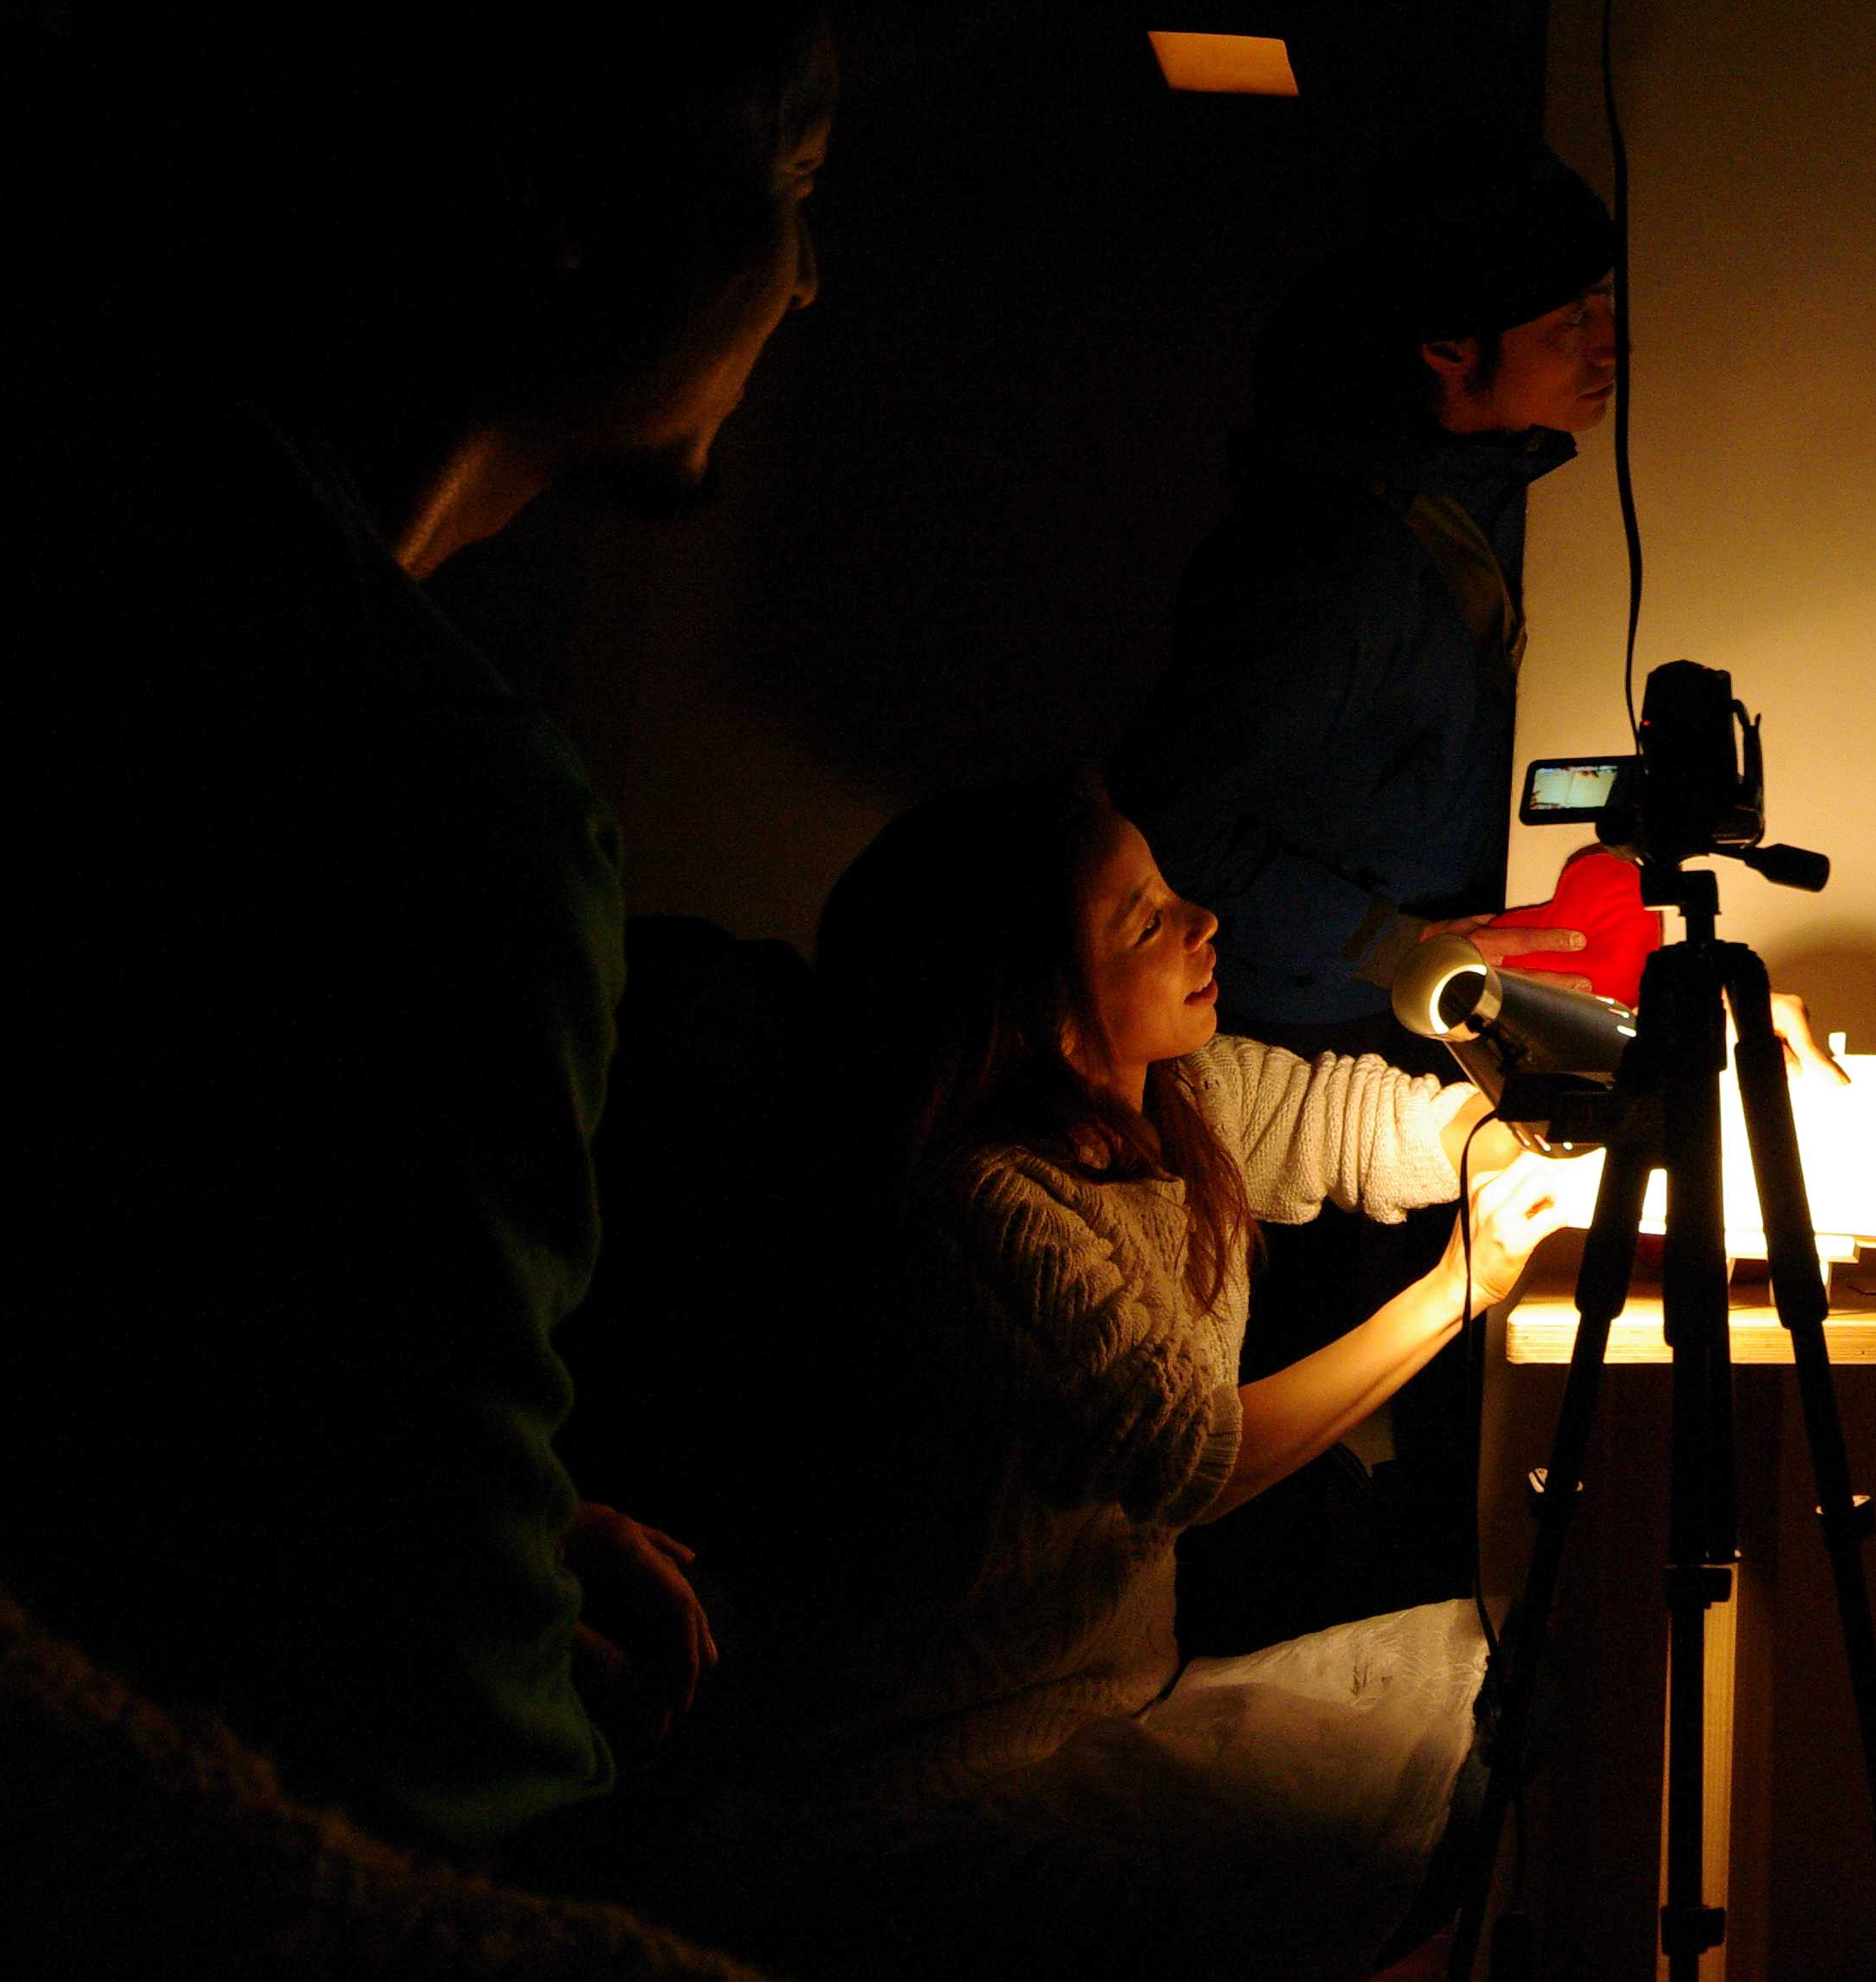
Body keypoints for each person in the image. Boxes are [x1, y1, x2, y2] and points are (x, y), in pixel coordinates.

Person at [0, 0, 885, 1864]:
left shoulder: (43, 515)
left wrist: (482, 1522)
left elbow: (126, 1400)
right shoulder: (413, 805)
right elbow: (428, 1764)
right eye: (795, 184)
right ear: (558, 185)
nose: (807, 278)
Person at [605, 776, 1591, 1982]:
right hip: (940, 1773)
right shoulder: (990, 1210)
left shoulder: (1185, 1094)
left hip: (1120, 1697)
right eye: (1145, 921)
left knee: (1534, 1675)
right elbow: (1196, 1462)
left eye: (1173, 892)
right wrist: (1455, 1287)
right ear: (1041, 1005)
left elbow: (1353, 1124)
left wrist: (1532, 1127)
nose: (1204, 922)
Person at [1108, 138, 1620, 1634]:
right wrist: (1397, 946)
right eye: (1568, 322)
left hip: (1387, 1036)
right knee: (1284, 1474)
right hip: (1275, 1050)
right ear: (1450, 353)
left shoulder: (1477, 491)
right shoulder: (1332, 568)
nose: (1606, 344)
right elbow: (1173, 831)